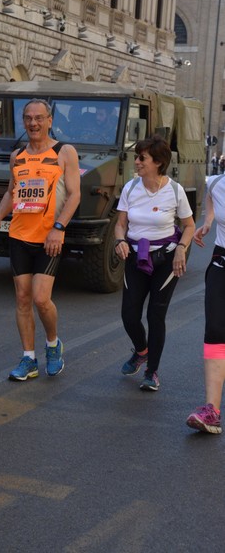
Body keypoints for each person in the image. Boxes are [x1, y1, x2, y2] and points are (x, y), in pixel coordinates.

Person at [0, 99, 81, 381]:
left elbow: (74, 194)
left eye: (39, 118)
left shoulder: (64, 152)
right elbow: (11, 193)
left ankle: (53, 345)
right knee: (23, 298)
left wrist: (59, 228)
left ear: (49, 120)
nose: (33, 124)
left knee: (41, 299)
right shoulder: (17, 156)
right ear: (23, 122)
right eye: (28, 118)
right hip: (20, 235)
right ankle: (29, 359)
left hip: (49, 237)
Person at [115, 135, 195, 391]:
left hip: (166, 259)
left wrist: (182, 248)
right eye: (136, 156)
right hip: (135, 257)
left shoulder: (174, 190)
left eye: (142, 157)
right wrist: (120, 242)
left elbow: (189, 226)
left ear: (158, 162)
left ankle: (152, 372)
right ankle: (142, 351)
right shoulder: (130, 188)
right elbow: (120, 224)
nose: (136, 161)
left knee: (155, 315)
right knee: (129, 315)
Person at [186, 174, 225, 434]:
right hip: (221, 261)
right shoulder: (216, 182)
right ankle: (212, 410)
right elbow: (211, 195)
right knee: (215, 331)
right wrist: (209, 221)